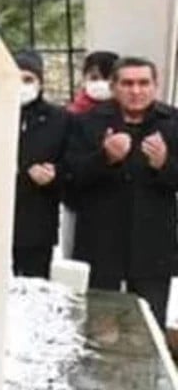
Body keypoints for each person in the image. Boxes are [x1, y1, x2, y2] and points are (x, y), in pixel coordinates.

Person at [66, 56, 178, 324]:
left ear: (155, 86)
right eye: (128, 83)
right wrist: (105, 158)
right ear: (114, 87)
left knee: (149, 325)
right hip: (101, 243)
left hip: (152, 247)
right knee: (98, 326)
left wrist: (164, 164)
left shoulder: (172, 123)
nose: (136, 91)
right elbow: (71, 179)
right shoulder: (88, 122)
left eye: (143, 83)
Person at [11, 50, 69, 279]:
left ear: (40, 82)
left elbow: (71, 166)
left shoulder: (59, 119)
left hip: (36, 221)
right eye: (16, 78)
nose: (22, 86)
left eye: (28, 79)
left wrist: (55, 175)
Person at [67, 50, 118, 114]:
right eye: (94, 78)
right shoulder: (72, 114)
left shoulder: (129, 111)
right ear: (84, 78)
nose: (101, 83)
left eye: (108, 79)